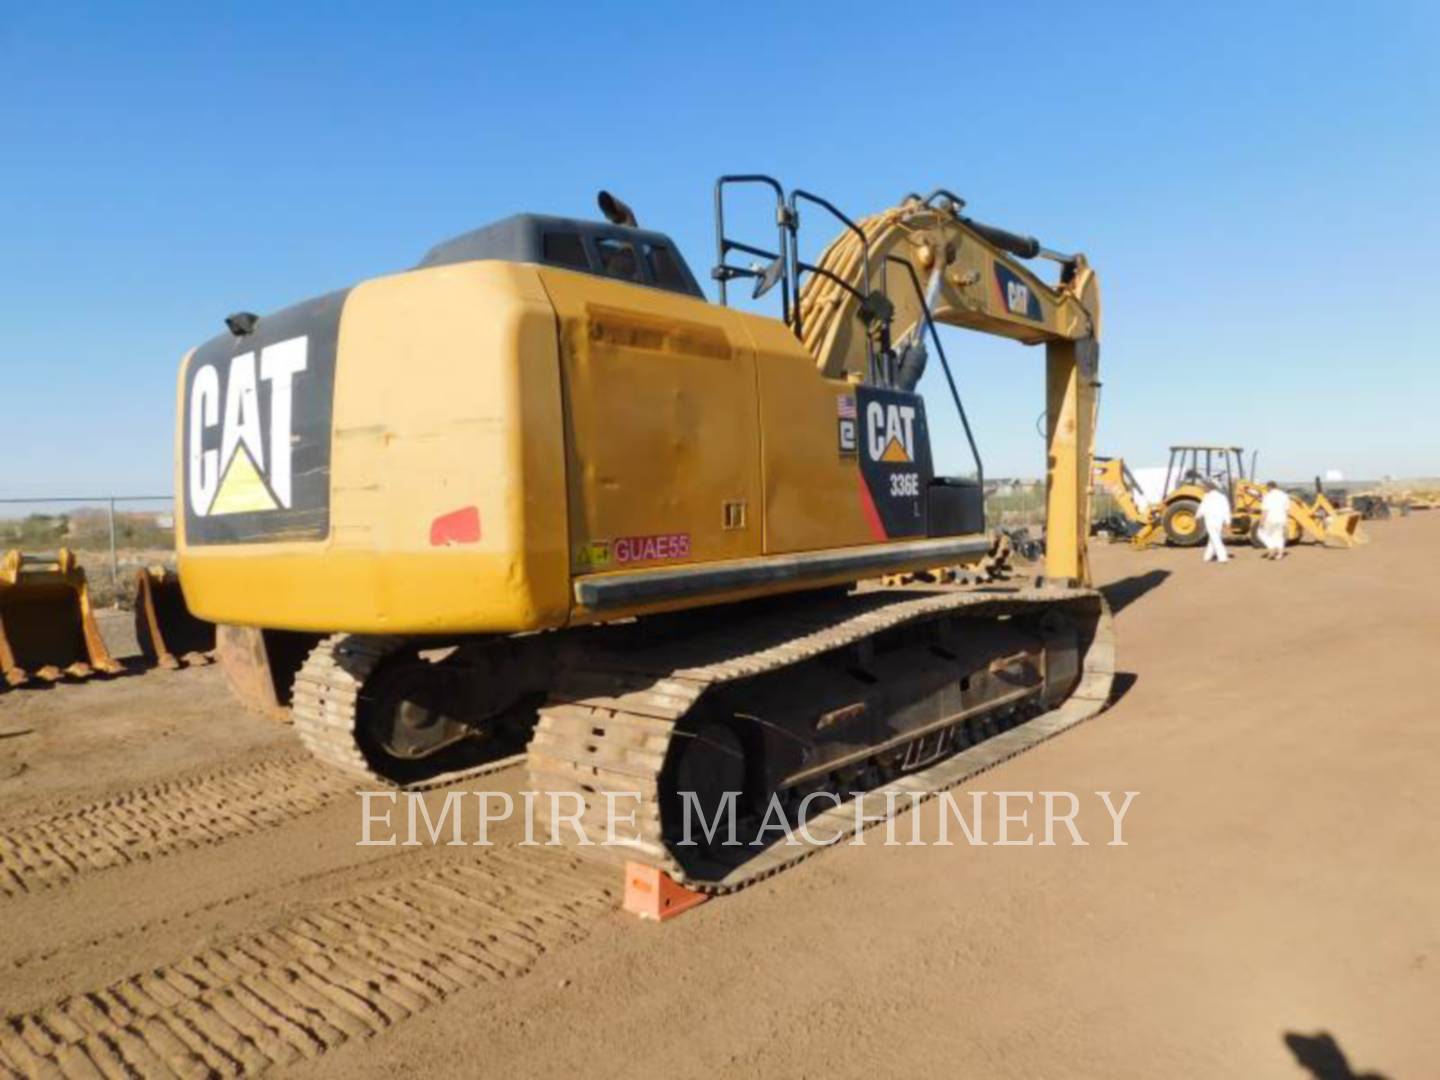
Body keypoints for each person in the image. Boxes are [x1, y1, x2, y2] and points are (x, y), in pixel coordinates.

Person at [1198, 484, 1232, 563]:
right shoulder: (1223, 497)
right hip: (1219, 520)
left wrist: (1197, 516)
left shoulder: (1207, 497)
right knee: (1215, 537)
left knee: (1214, 538)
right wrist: (1228, 522)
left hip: (1209, 520)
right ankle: (1211, 557)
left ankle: (1221, 557)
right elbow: (1226, 510)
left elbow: (1202, 508)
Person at [1258, 481, 1290, 560]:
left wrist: (1261, 521)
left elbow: (1265, 510)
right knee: (1279, 536)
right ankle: (1280, 554)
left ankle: (1271, 547)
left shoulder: (1267, 496)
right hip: (1282, 518)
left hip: (1270, 518)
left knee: (1262, 533)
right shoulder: (1285, 496)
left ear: (1269, 487)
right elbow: (1287, 510)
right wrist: (1286, 521)